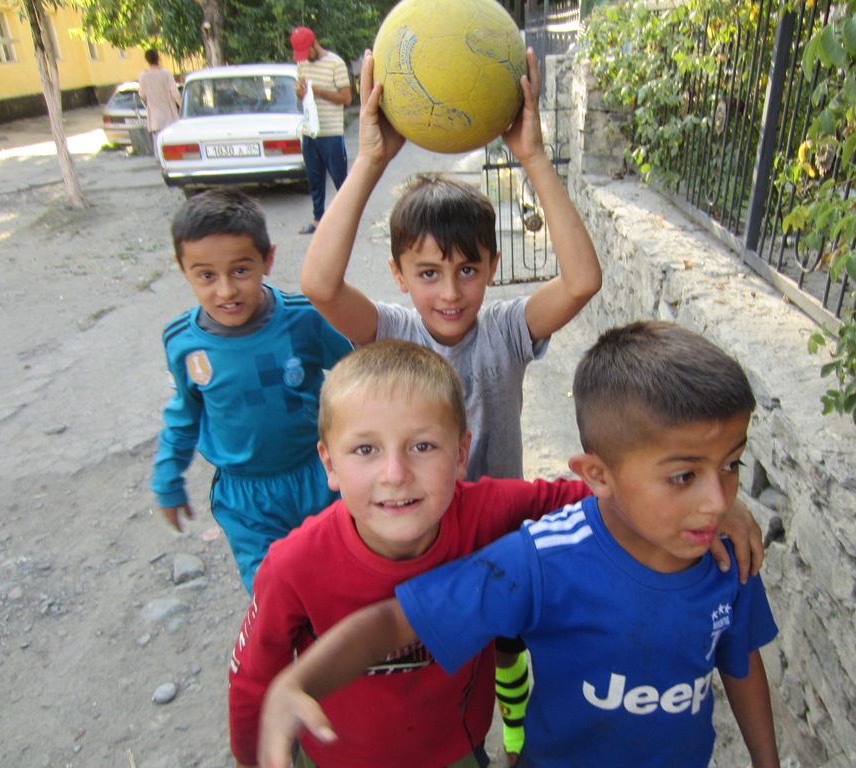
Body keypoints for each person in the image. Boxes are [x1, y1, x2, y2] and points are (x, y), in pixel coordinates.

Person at [257, 321, 781, 768]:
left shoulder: (726, 557)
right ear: (598, 474)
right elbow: (393, 621)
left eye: (731, 466)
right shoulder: (540, 559)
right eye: (685, 475)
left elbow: (740, 660)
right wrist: (298, 682)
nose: (717, 500)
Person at [299, 48, 607, 760]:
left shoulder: (504, 329)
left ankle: (514, 735)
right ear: (400, 275)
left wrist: (531, 155)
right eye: (429, 272)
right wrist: (370, 158)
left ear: (492, 269)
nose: (450, 291)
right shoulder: (390, 329)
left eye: (469, 269)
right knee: (430, 651)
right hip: (413, 527)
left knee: (507, 641)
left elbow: (583, 280)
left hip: (490, 528)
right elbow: (318, 283)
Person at [150, 189, 353, 594]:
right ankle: (296, 655)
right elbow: (184, 415)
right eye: (206, 275)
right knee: (273, 593)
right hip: (246, 499)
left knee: (344, 574)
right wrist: (168, 476)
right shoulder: (182, 342)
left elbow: (359, 372)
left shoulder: (303, 318)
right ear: (183, 269)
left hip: (322, 476)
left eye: (240, 270)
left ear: (268, 259)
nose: (225, 290)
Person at [290, 26, 353, 235]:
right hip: (310, 131)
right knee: (314, 179)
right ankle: (318, 220)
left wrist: (316, 91)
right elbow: (303, 97)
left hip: (332, 133)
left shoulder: (336, 63)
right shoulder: (302, 63)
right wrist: (300, 93)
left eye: (306, 52)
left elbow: (346, 98)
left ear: (315, 43)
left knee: (340, 179)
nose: (304, 58)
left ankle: (347, 220)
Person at [138, 49, 181, 154]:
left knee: (157, 139)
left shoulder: (143, 76)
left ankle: (160, 160)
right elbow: (175, 93)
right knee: (171, 139)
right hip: (169, 112)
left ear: (147, 60)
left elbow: (142, 94)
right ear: (158, 58)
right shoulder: (166, 74)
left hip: (154, 113)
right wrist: (183, 107)